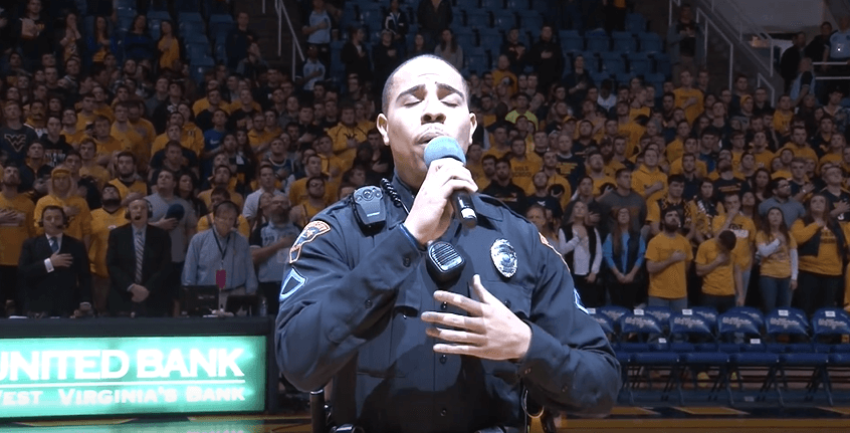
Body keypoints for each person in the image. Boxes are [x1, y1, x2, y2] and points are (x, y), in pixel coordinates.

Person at [274, 54, 619, 433]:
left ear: (470, 129)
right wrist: (406, 239)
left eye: (450, 101)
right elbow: (298, 364)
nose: (433, 112)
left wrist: (527, 345)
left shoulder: (523, 241)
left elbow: (601, 385)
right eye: (413, 100)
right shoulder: (337, 232)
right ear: (385, 129)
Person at [17, 205, 92, 318]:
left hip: (68, 306)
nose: (53, 221)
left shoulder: (76, 245)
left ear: (64, 221)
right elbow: (23, 271)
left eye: (57, 218)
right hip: (38, 307)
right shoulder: (30, 244)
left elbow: (85, 276)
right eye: (48, 218)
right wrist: (49, 263)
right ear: (42, 221)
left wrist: (85, 301)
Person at [106, 199, 173, 317]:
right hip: (123, 294)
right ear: (128, 213)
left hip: (153, 295)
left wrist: (147, 289)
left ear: (149, 212)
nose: (139, 211)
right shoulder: (117, 234)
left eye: (143, 208)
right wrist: (131, 287)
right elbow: (112, 265)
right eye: (135, 208)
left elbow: (165, 265)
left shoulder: (161, 235)